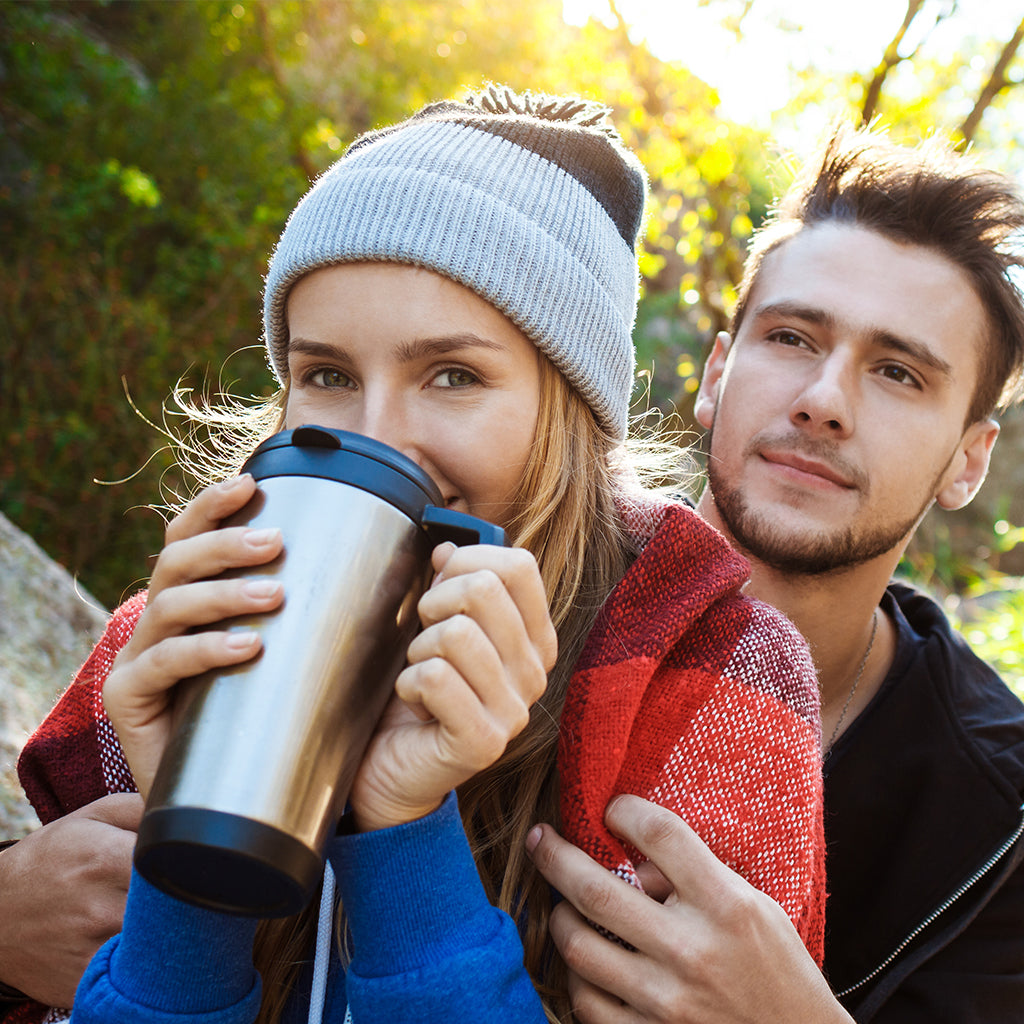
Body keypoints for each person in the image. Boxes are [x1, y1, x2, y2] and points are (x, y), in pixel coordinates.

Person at [3, 87, 826, 1024]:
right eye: (327, 376)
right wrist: (192, 843)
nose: (379, 437)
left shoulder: (717, 676)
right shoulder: (171, 649)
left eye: (453, 375)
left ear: (568, 415)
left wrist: (401, 830)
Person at [527, 124, 1024, 1023]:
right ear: (718, 373)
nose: (824, 401)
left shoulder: (1001, 819)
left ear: (969, 461)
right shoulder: (529, 600)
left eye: (900, 373)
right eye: (793, 338)